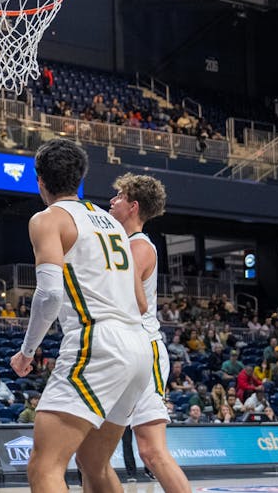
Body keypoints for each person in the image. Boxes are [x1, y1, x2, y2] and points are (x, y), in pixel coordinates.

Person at [9, 139, 151, 493]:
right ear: (80, 177)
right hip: (137, 346)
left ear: (39, 180)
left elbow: (50, 294)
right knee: (94, 464)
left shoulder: (47, 219)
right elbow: (140, 300)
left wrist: (28, 351)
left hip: (96, 343)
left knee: (45, 467)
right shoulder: (112, 223)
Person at [109, 172, 189, 491]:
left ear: (133, 206)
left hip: (145, 349)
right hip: (123, 350)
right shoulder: (123, 244)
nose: (112, 201)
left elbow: (138, 305)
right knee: (96, 451)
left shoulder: (138, 246)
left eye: (118, 197)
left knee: (153, 452)